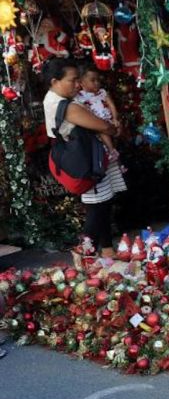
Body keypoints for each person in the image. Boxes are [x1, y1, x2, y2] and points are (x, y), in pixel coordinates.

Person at [43, 58, 127, 258]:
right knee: (96, 207)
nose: (78, 84)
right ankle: (84, 255)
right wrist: (113, 129)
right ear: (55, 81)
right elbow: (103, 126)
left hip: (89, 158)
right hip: (87, 161)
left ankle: (106, 250)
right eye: (72, 80)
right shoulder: (66, 106)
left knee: (103, 203)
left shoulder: (53, 99)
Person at [75, 64, 121, 162]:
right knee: (102, 131)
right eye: (93, 80)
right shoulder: (79, 97)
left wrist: (115, 118)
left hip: (107, 119)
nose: (97, 83)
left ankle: (113, 153)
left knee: (111, 132)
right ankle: (111, 150)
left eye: (98, 80)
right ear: (82, 82)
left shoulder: (102, 92)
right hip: (96, 123)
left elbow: (112, 105)